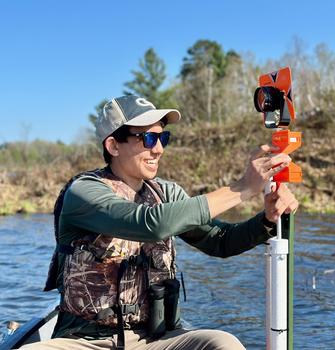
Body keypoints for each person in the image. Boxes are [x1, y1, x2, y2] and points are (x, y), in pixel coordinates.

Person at [21, 95, 298, 350]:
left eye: (163, 138)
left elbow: (220, 241)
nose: (159, 150)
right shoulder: (84, 192)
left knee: (224, 343)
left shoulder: (166, 193)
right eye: (148, 139)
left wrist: (268, 219)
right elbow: (150, 224)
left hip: (155, 339)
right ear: (113, 145)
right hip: (85, 341)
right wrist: (242, 188)